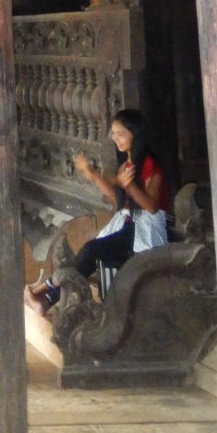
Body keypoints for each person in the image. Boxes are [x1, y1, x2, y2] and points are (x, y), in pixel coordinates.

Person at [25, 108, 169, 313]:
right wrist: (91, 174)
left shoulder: (151, 165)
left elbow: (152, 206)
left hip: (145, 228)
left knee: (91, 251)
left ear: (135, 134)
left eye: (121, 134)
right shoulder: (127, 164)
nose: (116, 139)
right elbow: (114, 195)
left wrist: (129, 186)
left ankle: (44, 294)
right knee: (88, 253)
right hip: (128, 224)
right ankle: (45, 298)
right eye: (114, 134)